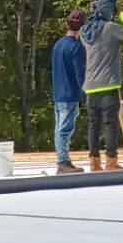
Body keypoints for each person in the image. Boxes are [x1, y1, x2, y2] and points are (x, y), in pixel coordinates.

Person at [79, 0, 123, 170]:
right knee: (110, 124)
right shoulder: (111, 28)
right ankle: (111, 161)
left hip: (90, 86)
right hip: (109, 84)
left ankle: (94, 162)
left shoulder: (85, 31)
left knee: (93, 125)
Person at [50, 11, 86, 172]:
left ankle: (63, 160)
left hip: (58, 93)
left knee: (59, 128)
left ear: (67, 24)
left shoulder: (58, 45)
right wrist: (86, 93)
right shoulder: (76, 47)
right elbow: (80, 75)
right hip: (70, 94)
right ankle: (62, 162)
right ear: (82, 28)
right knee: (65, 130)